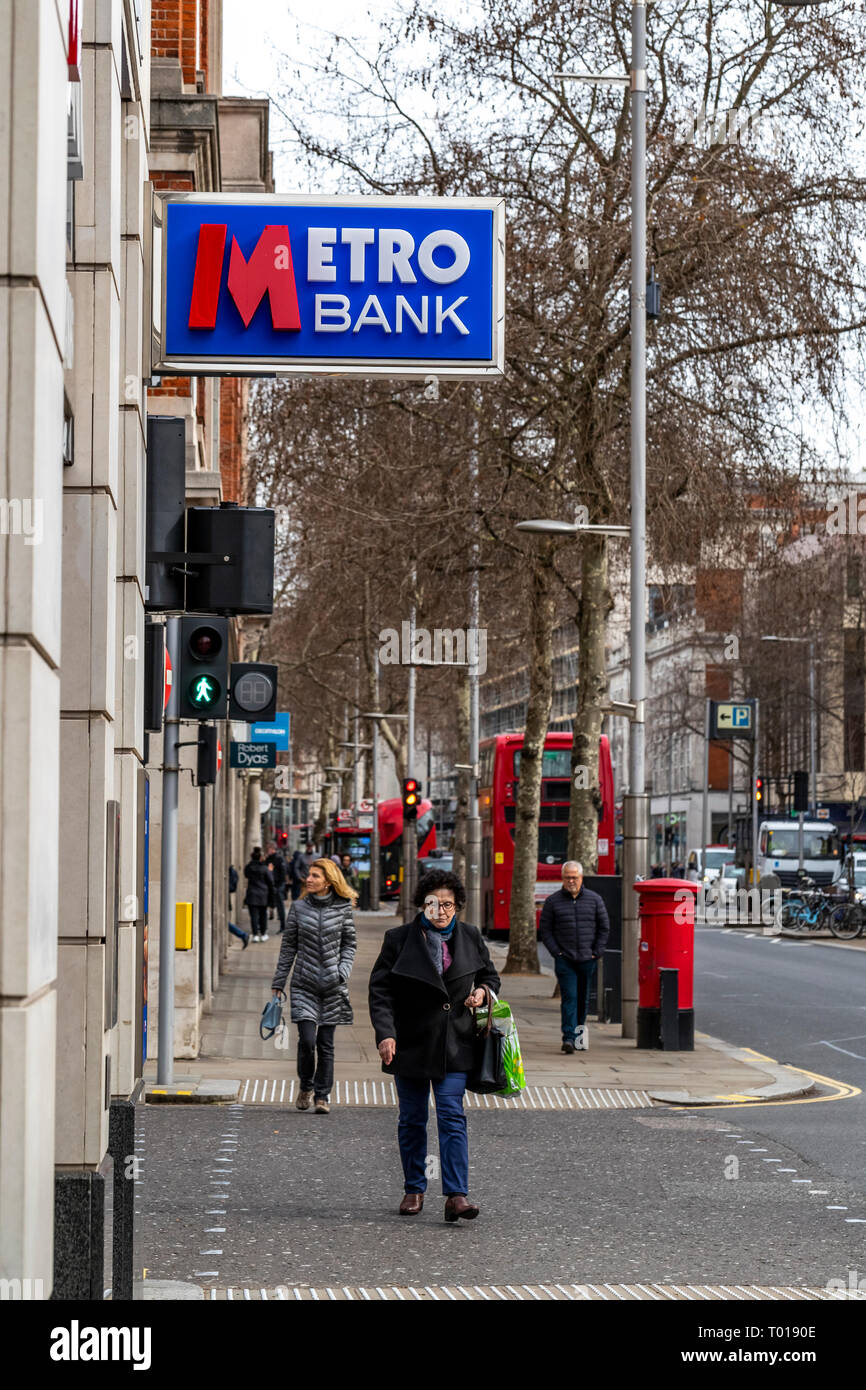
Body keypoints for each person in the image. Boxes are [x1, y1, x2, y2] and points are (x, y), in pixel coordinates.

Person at [368, 868, 500, 1222]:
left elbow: (490, 976)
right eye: (433, 904)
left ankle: (457, 1195)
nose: (440, 911)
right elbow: (380, 992)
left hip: (455, 1044)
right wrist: (386, 1033)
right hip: (410, 1044)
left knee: (452, 1116)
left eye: (448, 905)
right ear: (421, 904)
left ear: (457, 907)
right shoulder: (398, 939)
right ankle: (415, 1188)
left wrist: (482, 992)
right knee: (412, 1119)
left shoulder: (471, 937)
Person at [271, 858, 357, 1114]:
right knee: (308, 1041)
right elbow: (289, 947)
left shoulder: (343, 909)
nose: (309, 879)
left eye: (315, 876)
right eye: (309, 874)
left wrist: (342, 972)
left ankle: (322, 1096)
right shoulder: (298, 908)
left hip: (332, 985)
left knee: (326, 1043)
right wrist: (279, 982)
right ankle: (306, 1085)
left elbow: (349, 945)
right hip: (304, 984)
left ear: (329, 881)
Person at [540, 861, 609, 1054]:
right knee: (570, 998)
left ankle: (580, 1037)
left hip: (588, 958)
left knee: (583, 999)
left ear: (581, 878)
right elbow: (545, 930)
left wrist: (597, 951)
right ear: (562, 879)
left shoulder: (594, 900)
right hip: (565, 960)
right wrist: (557, 953)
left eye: (574, 877)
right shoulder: (553, 901)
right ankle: (568, 1038)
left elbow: (604, 927)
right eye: (567, 877)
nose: (571, 881)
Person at [243, 847, 274, 942]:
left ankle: (255, 934)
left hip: (252, 894)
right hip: (263, 895)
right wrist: (270, 871)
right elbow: (270, 881)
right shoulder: (264, 869)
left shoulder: (249, 867)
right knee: (263, 915)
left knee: (253, 916)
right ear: (260, 858)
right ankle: (263, 933)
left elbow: (246, 875)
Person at [266, 842, 289, 932]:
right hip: (271, 885)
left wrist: (280, 885)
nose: (267, 851)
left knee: (280, 906)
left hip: (278, 885)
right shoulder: (269, 859)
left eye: (268, 849)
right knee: (272, 905)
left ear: (272, 849)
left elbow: (283, 872)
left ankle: (283, 926)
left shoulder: (279, 859)